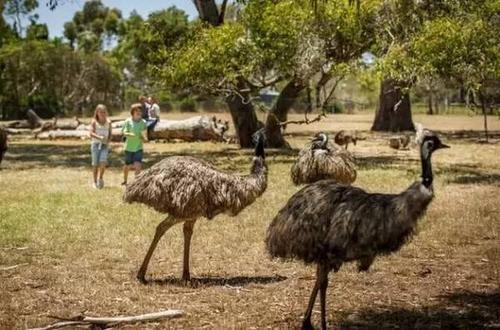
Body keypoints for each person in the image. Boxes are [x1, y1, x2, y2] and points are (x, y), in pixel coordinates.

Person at [122, 103, 147, 185]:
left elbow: (144, 133)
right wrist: (130, 134)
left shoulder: (143, 122)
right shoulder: (128, 121)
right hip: (128, 148)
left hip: (138, 147)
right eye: (137, 111)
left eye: (140, 111)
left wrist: (144, 138)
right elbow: (124, 132)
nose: (139, 112)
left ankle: (136, 183)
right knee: (127, 166)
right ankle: (125, 180)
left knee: (138, 164)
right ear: (132, 112)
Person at [89, 104, 112, 189]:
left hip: (104, 145)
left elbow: (110, 134)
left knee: (103, 162)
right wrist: (99, 137)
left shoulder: (109, 122)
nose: (102, 113)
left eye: (104, 112)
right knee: (95, 164)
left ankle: (100, 178)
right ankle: (94, 182)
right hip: (95, 145)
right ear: (97, 112)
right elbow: (91, 133)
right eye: (100, 112)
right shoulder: (94, 122)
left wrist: (108, 140)